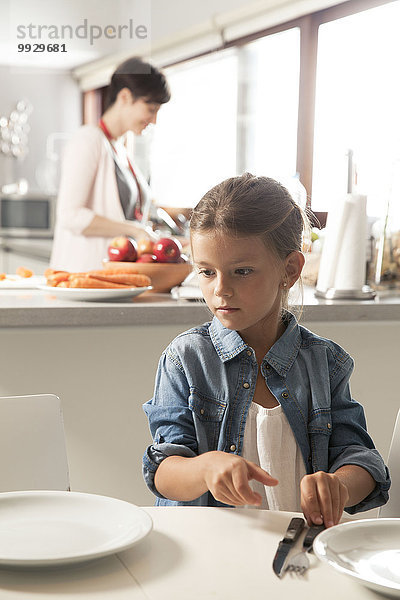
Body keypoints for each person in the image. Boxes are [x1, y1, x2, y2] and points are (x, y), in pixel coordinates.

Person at [142, 173, 390, 527]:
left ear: (289, 270)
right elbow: (162, 470)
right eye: (207, 272)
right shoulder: (185, 359)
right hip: (207, 552)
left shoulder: (326, 363)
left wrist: (338, 485)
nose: (221, 290)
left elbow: (364, 461)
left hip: (298, 553)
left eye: (242, 271)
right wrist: (204, 467)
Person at [50, 57, 170, 272]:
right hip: (83, 275)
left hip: (111, 276)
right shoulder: (88, 139)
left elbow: (128, 210)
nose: (154, 121)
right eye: (151, 109)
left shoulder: (120, 149)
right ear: (124, 97)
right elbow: (71, 215)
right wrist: (135, 230)